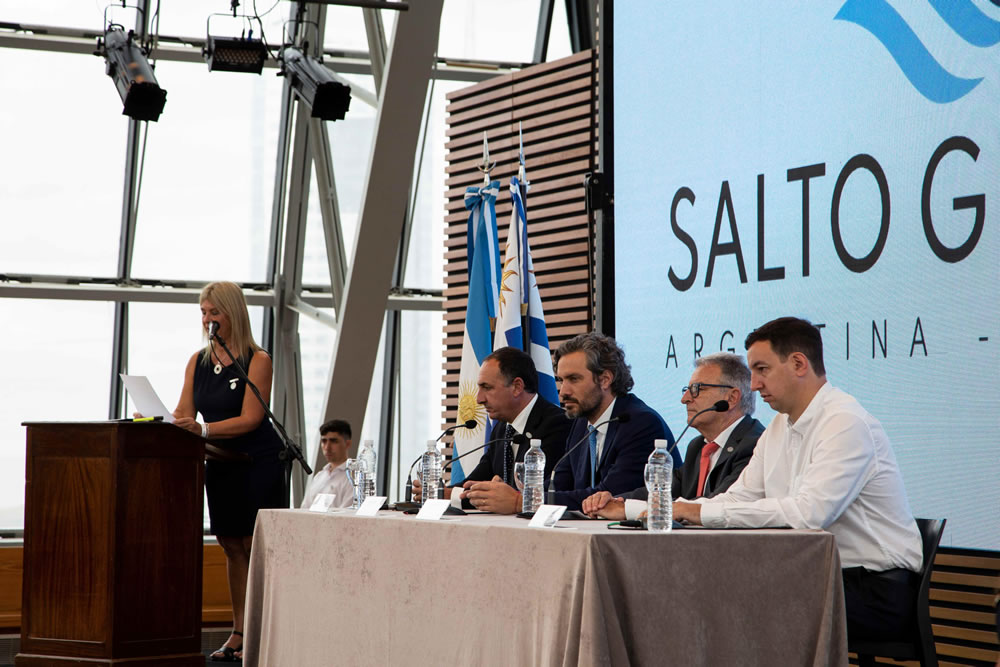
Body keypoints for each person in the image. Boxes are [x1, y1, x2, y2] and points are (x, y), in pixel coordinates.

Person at [671, 317, 923, 642]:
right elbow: (739, 497)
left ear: (799, 364)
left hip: (874, 587)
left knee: (737, 603)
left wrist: (699, 512)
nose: (754, 385)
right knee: (708, 589)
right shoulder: (779, 426)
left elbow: (809, 515)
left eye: (762, 369)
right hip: (817, 574)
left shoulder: (845, 422)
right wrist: (682, 510)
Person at [171, 281, 287, 662]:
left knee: (254, 546)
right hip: (221, 463)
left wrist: (203, 430)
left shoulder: (257, 359)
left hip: (258, 463)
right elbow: (184, 413)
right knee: (231, 546)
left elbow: (251, 418)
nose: (208, 320)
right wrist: (161, 420)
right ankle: (239, 631)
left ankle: (262, 633)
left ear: (232, 313)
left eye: (214, 312)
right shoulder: (198, 361)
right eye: (203, 313)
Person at [581, 352, 764, 520]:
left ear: (731, 398)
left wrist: (627, 510)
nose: (685, 399)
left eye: (697, 389)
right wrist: (616, 501)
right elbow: (664, 490)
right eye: (687, 390)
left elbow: (716, 506)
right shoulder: (697, 446)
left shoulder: (754, 444)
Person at [413, 346, 571, 514]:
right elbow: (478, 480)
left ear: (517, 387)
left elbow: (533, 494)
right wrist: (442, 493)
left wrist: (450, 495)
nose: (479, 399)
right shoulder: (501, 429)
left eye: (487, 387)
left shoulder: (558, 424)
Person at [549, 332, 677, 512]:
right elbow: (559, 483)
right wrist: (522, 495)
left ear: (605, 380)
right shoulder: (581, 423)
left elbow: (608, 496)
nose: (563, 392)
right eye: (561, 380)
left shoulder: (640, 423)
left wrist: (520, 501)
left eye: (574, 379)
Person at [300, 419, 354, 510]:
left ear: (347, 444)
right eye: (324, 441)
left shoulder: (353, 478)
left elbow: (347, 513)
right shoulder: (319, 476)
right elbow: (304, 509)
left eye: (334, 441)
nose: (327, 447)